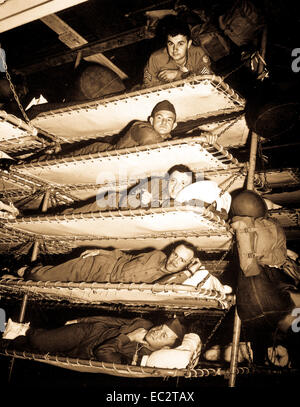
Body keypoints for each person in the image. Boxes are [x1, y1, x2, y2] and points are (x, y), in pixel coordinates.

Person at [1, 315, 185, 365]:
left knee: (30, 347)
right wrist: (82, 320)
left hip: (82, 353)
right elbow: (111, 320)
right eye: (161, 327)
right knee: (42, 342)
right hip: (89, 332)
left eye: (164, 336)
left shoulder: (140, 359)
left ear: (167, 347)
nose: (157, 331)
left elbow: (103, 353)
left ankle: (17, 332)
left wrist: (129, 338)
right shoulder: (144, 323)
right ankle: (24, 328)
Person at [9, 241, 202, 283]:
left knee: (47, 274)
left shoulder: (169, 278)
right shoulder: (157, 254)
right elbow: (126, 257)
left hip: (102, 278)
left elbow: (162, 287)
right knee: (42, 276)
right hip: (101, 264)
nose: (175, 260)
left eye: (182, 260)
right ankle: (19, 268)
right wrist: (100, 251)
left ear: (186, 264)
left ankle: (20, 268)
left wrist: (190, 272)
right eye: (175, 254)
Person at [143, 17, 212, 88]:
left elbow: (206, 80)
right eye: (171, 44)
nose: (175, 49)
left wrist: (179, 75)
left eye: (180, 44)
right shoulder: (156, 59)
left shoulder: (198, 54)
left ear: (189, 44)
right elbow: (148, 85)